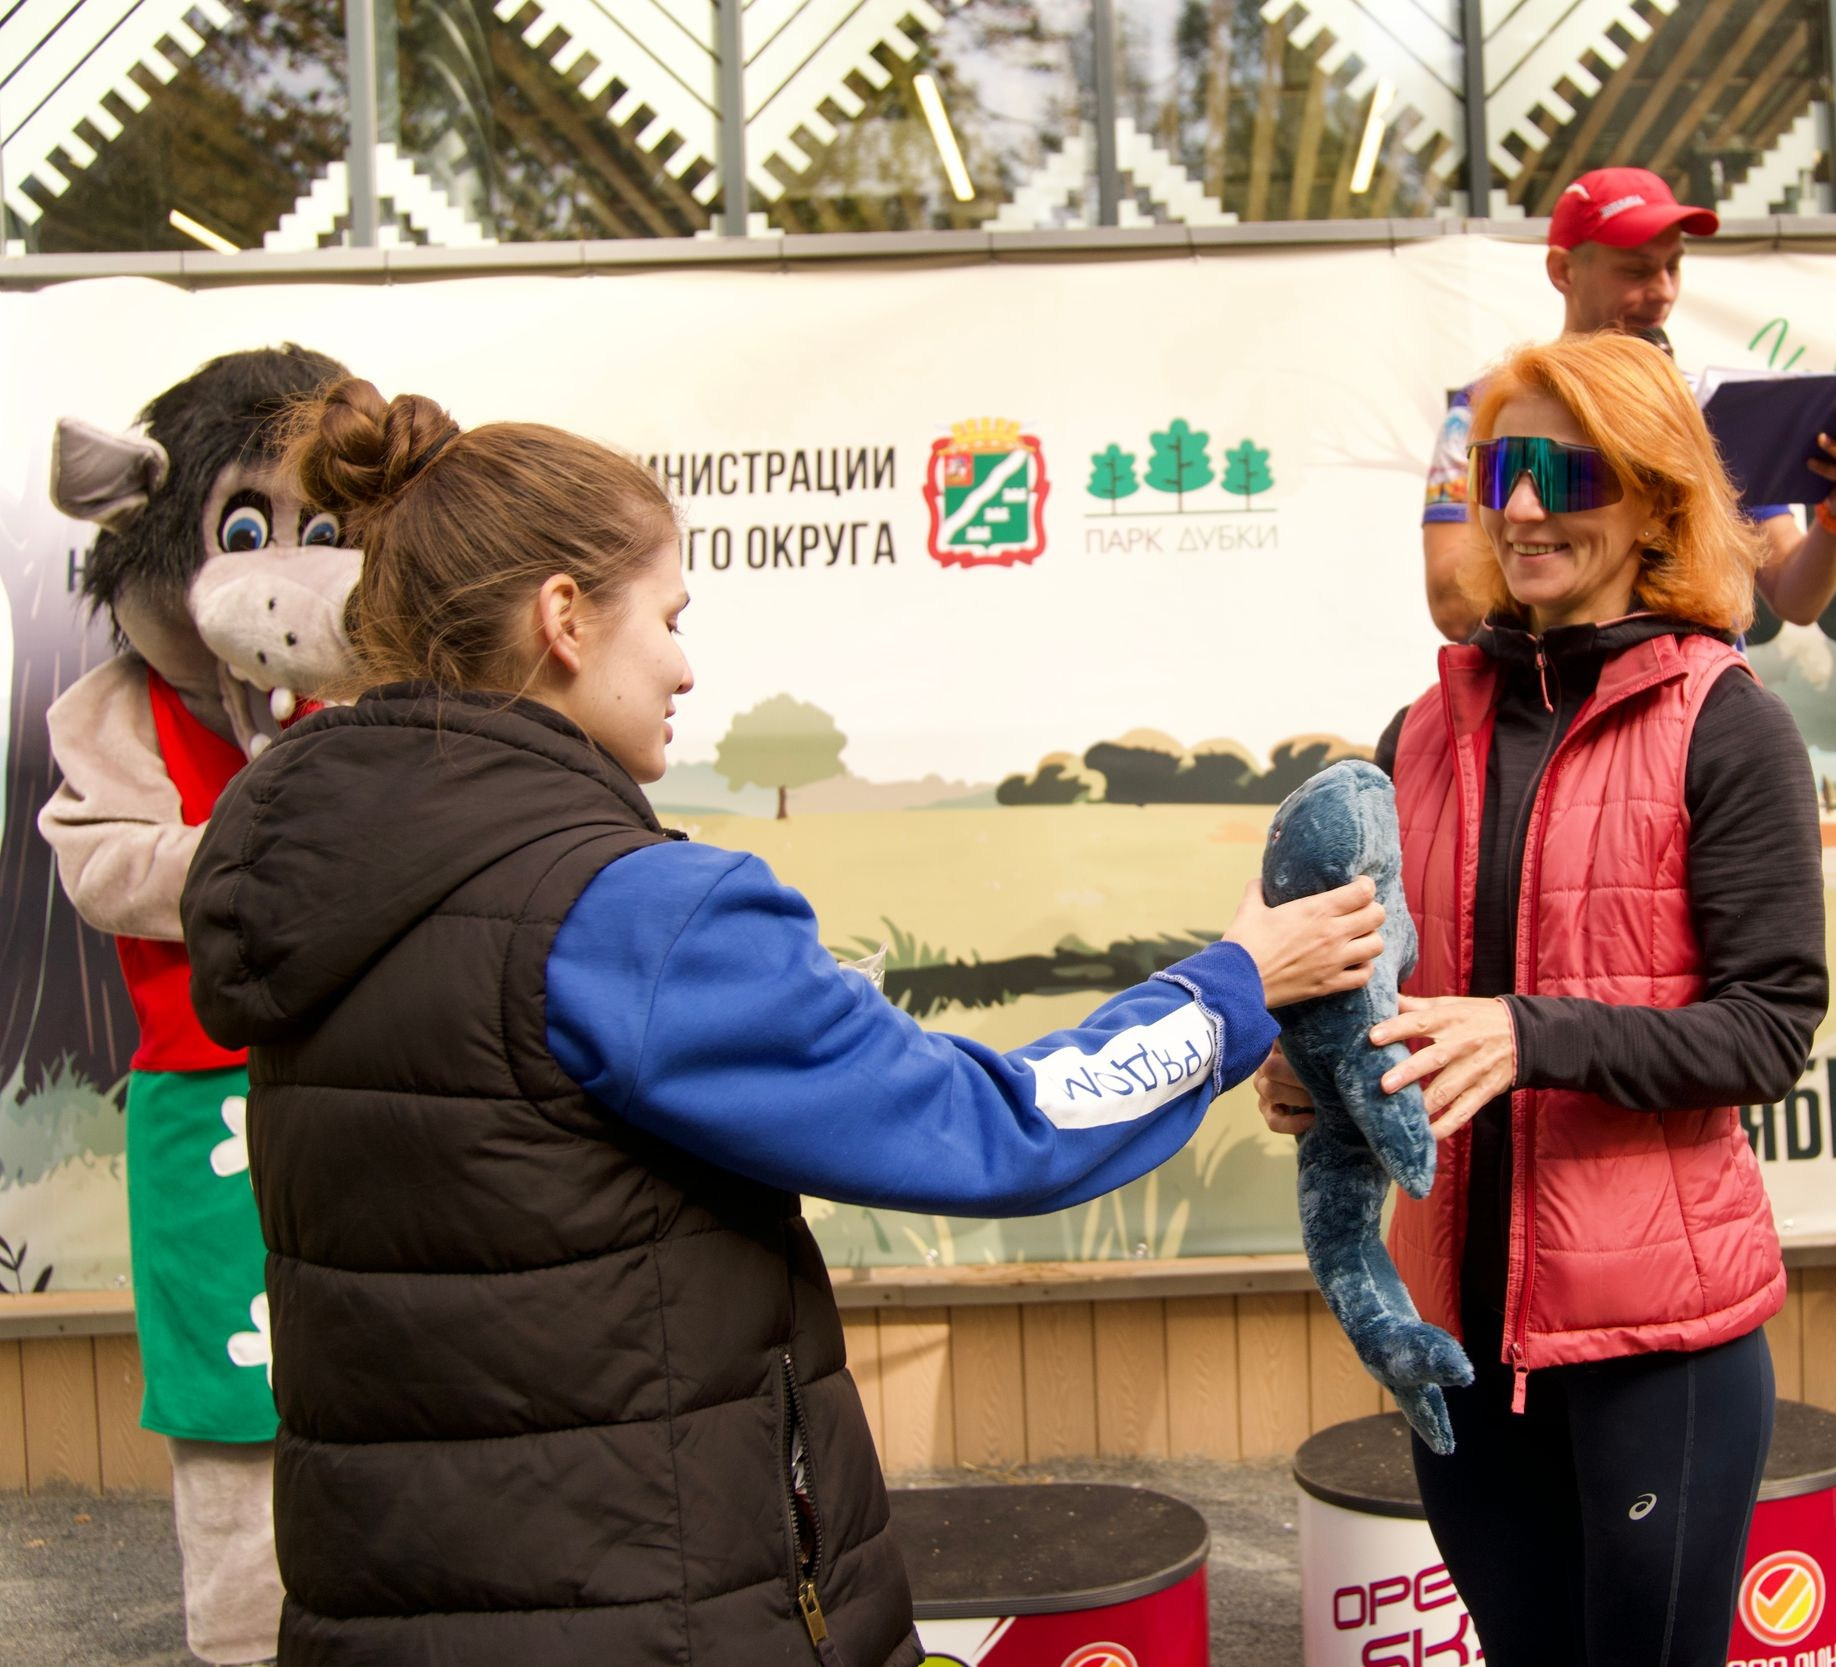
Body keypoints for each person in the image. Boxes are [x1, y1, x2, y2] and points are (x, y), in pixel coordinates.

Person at [177, 380, 1387, 1666]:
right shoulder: (632, 916)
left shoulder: (312, 877)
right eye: (671, 615)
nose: (688, 663)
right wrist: (1235, 981)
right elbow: (999, 1128)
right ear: (565, 618)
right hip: (656, 1611)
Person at [1264, 332, 1827, 1665]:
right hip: (1458, 1338)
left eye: (1562, 471)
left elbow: (1769, 1025)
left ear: (1655, 502)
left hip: (1659, 1348)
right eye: (1499, 466)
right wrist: (1319, 1069)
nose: (1517, 507)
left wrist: (1525, 1032)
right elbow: (1382, 987)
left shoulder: (1729, 721)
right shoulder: (1422, 729)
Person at [1419, 166, 1836, 642]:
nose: (1663, 291)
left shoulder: (1704, 409)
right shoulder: (1485, 410)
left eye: (1674, 266)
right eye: (1637, 270)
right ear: (1563, 271)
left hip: (1696, 703)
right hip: (1549, 703)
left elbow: (1796, 598)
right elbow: (1453, 610)